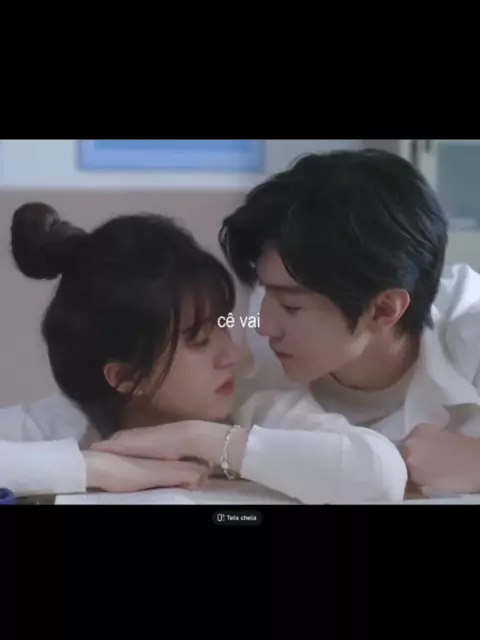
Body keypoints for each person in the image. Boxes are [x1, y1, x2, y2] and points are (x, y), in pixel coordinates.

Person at [95, 149, 480, 497]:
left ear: (383, 310)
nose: (262, 326)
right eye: (265, 292)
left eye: (292, 307)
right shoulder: (249, 346)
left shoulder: (471, 332)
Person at [0, 202, 407, 503]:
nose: (232, 356)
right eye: (199, 341)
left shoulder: (258, 408)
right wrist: (98, 468)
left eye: (223, 327)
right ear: (126, 377)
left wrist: (197, 438)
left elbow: (382, 474)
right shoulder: (62, 422)